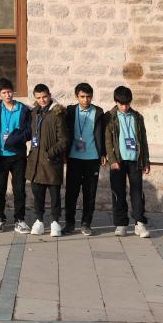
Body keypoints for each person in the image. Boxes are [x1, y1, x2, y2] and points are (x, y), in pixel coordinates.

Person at [105, 86, 151, 238]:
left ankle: (139, 223)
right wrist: (112, 160)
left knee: (137, 192)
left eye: (127, 104)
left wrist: (146, 161)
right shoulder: (109, 117)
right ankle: (121, 224)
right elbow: (107, 141)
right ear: (116, 102)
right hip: (118, 161)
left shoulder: (137, 117)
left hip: (135, 160)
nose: (124, 107)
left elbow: (143, 140)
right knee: (118, 193)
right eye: (121, 104)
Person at [0, 78, 31, 234]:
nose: (8, 95)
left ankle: (20, 219)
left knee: (19, 189)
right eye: (4, 93)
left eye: (10, 92)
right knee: (0, 189)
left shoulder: (23, 109)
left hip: (18, 155)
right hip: (0, 156)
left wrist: (15, 138)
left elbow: (29, 131)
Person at [63, 83, 106, 236]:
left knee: (90, 193)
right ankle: (69, 223)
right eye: (82, 97)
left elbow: (103, 135)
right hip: (74, 158)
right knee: (71, 193)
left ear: (92, 97)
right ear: (77, 97)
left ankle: (86, 223)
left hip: (92, 159)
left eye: (88, 97)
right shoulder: (70, 111)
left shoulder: (99, 112)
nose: (85, 100)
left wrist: (103, 153)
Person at [25, 83, 67, 237]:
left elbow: (64, 139)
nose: (42, 100)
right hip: (35, 162)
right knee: (37, 194)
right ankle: (39, 221)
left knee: (54, 194)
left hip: (51, 162)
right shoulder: (34, 113)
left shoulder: (58, 113)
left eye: (44, 97)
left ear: (49, 95)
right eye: (38, 98)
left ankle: (55, 221)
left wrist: (50, 153)